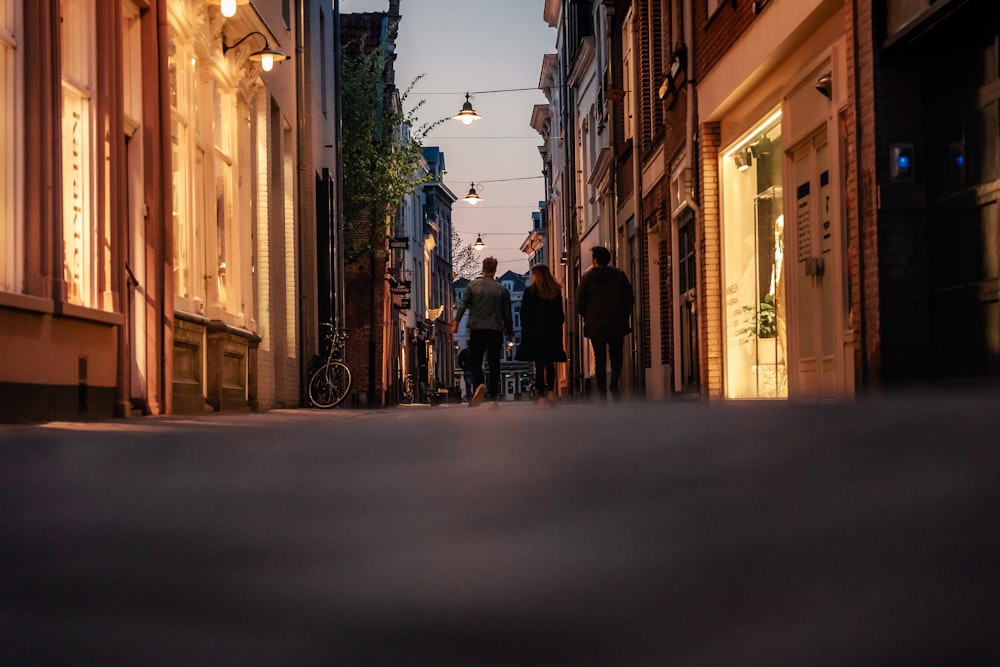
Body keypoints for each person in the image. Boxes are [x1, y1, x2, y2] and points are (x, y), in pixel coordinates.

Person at [576, 246, 634, 402]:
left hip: (596, 325)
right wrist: (624, 315)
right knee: (616, 355)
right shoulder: (620, 276)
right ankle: (614, 380)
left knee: (599, 358)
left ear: (595, 260)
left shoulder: (587, 278)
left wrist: (587, 316)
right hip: (617, 322)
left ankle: (602, 392)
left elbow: (579, 303)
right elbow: (629, 299)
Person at [454, 256, 513, 407]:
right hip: (495, 330)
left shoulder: (472, 286)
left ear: (483, 268)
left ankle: (479, 385)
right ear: (495, 269)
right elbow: (507, 313)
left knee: (475, 361)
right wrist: (509, 332)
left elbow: (462, 305)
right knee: (494, 364)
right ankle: (493, 397)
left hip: (477, 329)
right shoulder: (502, 290)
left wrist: (456, 322)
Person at [516, 264, 567, 406]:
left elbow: (524, 314)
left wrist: (527, 331)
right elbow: (560, 315)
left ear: (536, 276)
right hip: (551, 333)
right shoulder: (555, 292)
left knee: (539, 364)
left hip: (535, 334)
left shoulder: (530, 292)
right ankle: (551, 392)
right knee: (550, 364)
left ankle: (542, 397)